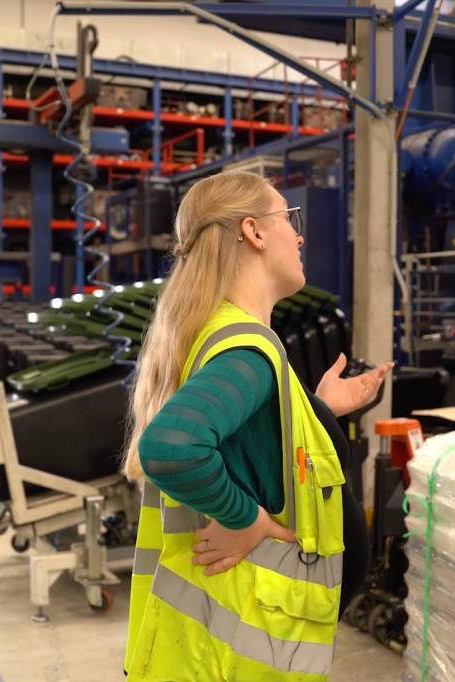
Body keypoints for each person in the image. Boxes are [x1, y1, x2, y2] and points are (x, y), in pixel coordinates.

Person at [120, 170, 393, 682]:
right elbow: (172, 448)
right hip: (245, 642)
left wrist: (318, 410)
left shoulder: (220, 335)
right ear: (254, 231)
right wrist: (246, 519)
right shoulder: (247, 349)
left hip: (223, 640)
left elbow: (249, 454)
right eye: (290, 218)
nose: (300, 236)